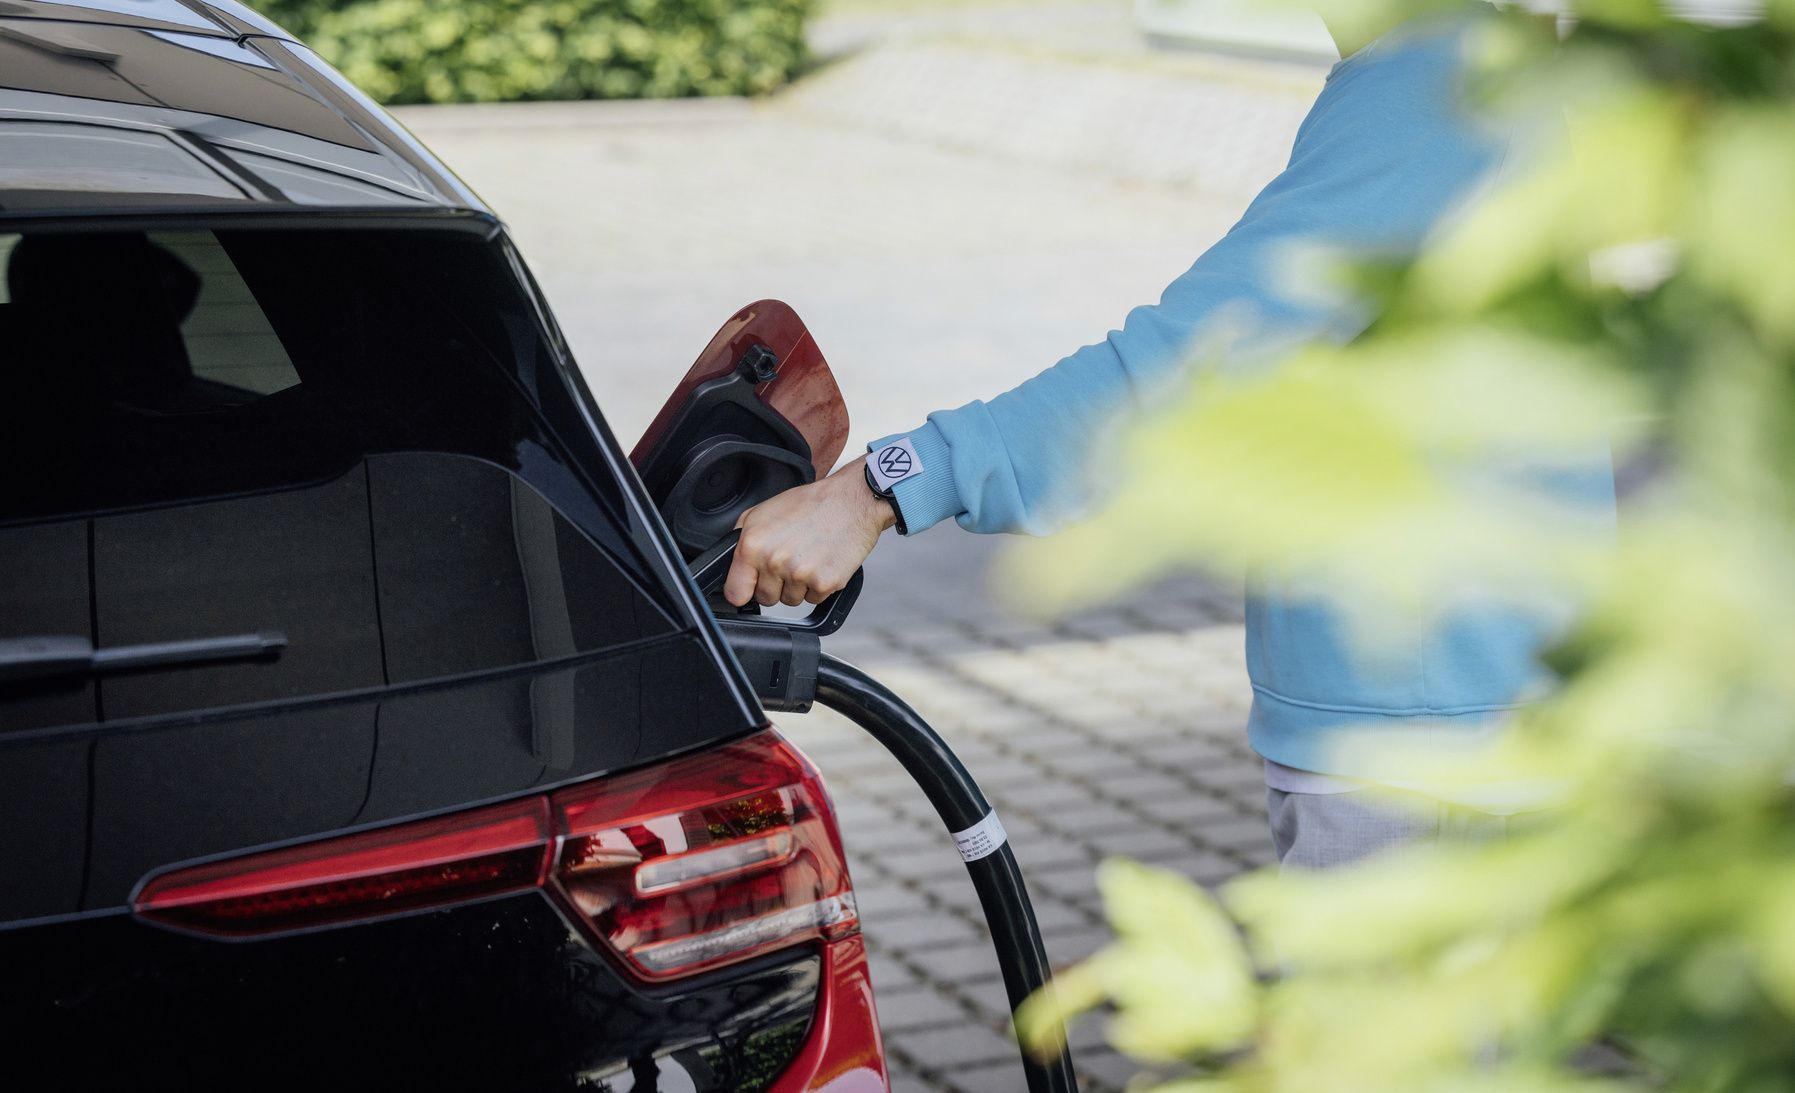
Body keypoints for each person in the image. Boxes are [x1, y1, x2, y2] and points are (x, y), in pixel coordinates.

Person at [724, 2, 1614, 871]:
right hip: (1466, 710)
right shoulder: (1471, 67)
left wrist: (880, 487)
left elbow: (1185, 371)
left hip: (1420, 752)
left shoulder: (1431, 84)